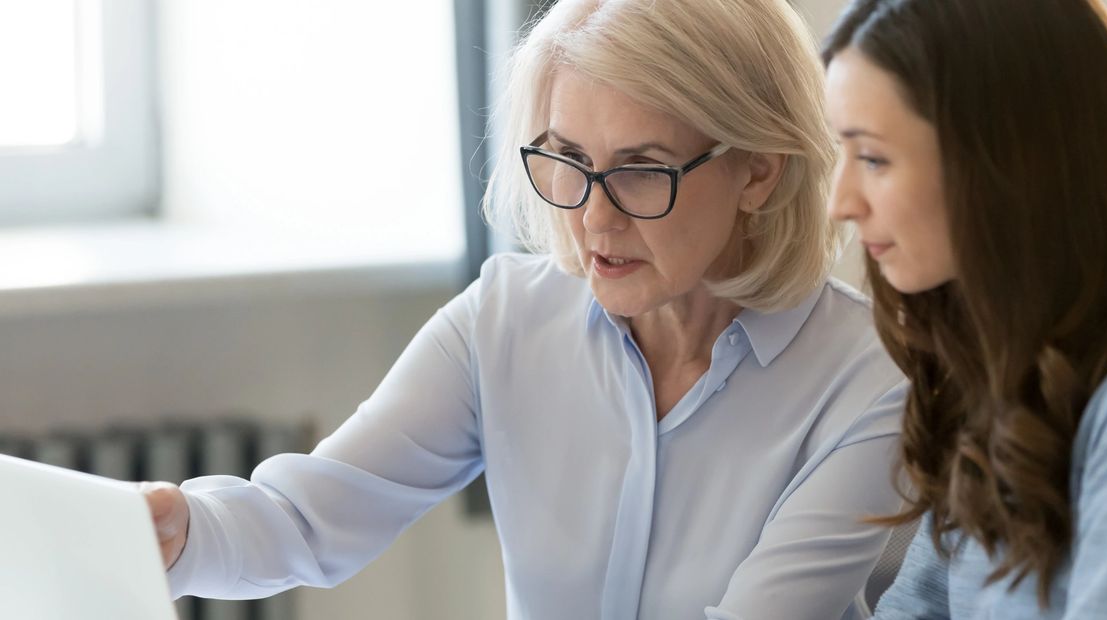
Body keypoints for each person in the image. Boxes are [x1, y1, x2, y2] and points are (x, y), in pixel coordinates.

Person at [140, 1, 909, 618]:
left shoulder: (871, 381)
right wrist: (181, 530)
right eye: (569, 160)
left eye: (641, 171)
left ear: (759, 173)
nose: (594, 222)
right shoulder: (504, 321)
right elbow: (306, 518)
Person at [820, 0, 1107, 617]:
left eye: (874, 158)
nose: (841, 202)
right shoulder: (1008, 378)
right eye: (844, 154)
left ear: (1004, 161)